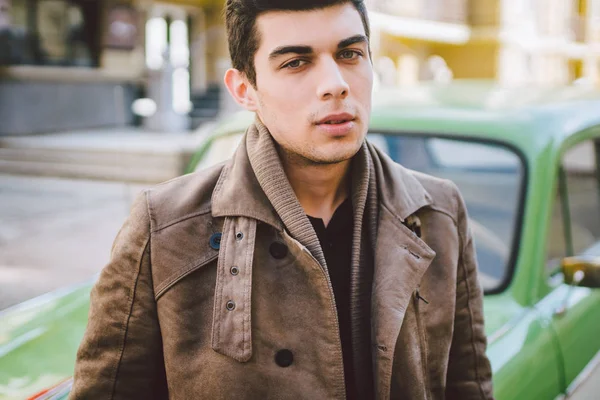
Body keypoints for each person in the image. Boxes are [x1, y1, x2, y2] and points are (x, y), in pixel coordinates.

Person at [71, 0, 494, 399]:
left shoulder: (438, 211)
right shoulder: (164, 228)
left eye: (349, 54)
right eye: (296, 62)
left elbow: (468, 386)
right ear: (244, 89)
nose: (335, 85)